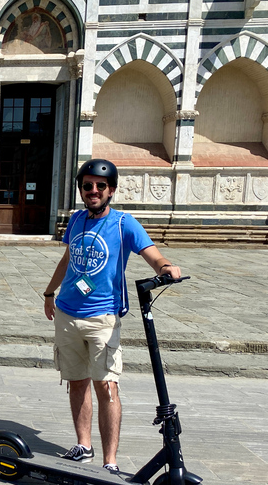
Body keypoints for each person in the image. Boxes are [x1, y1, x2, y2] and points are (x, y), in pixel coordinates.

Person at [42, 159, 181, 472]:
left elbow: (152, 253)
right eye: (87, 186)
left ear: (111, 190)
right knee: (76, 382)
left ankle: (110, 462)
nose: (93, 191)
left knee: (106, 387)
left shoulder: (124, 223)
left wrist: (165, 267)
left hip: (103, 317)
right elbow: (67, 260)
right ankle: (83, 446)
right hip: (67, 313)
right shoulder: (76, 220)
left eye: (100, 186)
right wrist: (50, 293)